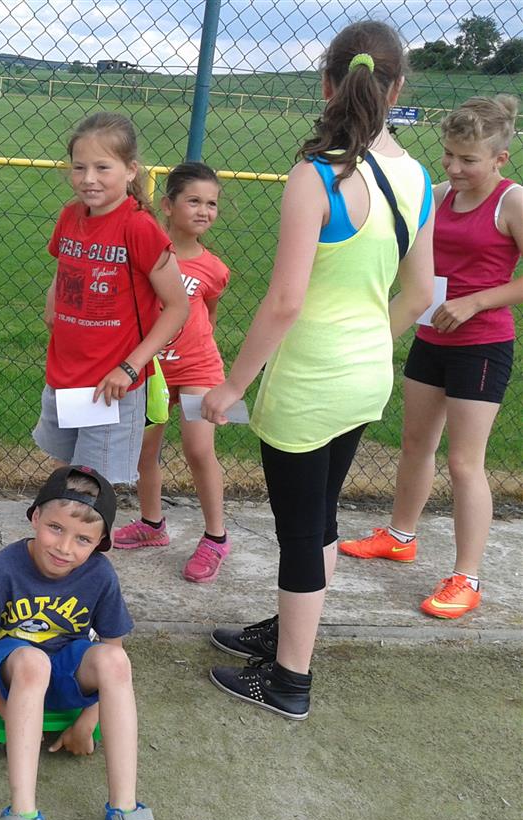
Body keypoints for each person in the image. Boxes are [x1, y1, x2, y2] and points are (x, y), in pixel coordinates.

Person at [200, 22, 435, 719]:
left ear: (327, 83)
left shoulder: (316, 175)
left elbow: (285, 301)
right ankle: (288, 632)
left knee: (301, 533)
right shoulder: (417, 176)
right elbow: (420, 293)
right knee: (321, 517)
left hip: (308, 383)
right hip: (366, 376)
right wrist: (365, 342)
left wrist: (232, 386)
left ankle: (289, 680)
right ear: (397, 88)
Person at [340, 94, 522, 620]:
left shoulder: (512, 202)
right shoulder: (438, 195)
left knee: (464, 462)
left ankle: (467, 576)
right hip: (431, 336)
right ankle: (401, 536)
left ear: (500, 159)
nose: (454, 168)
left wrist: (475, 302)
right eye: (448, 155)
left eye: (468, 160)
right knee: (415, 444)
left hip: (481, 345)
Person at [0, 466, 171, 820]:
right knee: (33, 662)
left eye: (83, 539)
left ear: (101, 543)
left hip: (67, 667)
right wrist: (8, 711)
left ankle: (123, 813)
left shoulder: (100, 575)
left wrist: (88, 719)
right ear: (35, 516)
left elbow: (113, 649)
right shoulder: (5, 568)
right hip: (16, 668)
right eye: (55, 528)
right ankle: (22, 819)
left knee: (115, 662)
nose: (64, 547)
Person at [35, 112, 189, 485]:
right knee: (65, 472)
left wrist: (131, 367)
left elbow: (178, 307)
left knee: (92, 486)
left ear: (131, 170)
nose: (89, 178)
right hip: (67, 375)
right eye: (79, 167)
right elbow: (65, 263)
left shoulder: (138, 227)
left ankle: (82, 528)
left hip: (111, 385)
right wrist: (54, 301)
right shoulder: (71, 215)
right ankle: (61, 525)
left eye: (102, 167)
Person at [113, 163, 232, 583]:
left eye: (211, 204)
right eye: (193, 201)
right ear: (167, 205)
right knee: (145, 451)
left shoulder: (214, 268)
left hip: (198, 366)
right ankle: (152, 524)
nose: (204, 211)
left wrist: (192, 351)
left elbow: (208, 315)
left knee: (198, 449)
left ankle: (216, 538)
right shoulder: (146, 253)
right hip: (152, 370)